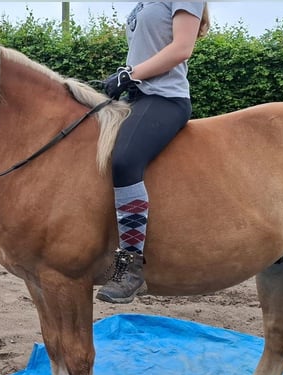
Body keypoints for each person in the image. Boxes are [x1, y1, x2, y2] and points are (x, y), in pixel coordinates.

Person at [96, 1, 210, 304]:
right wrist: (126, 78)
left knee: (124, 160)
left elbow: (181, 48)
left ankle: (131, 268)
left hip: (165, 98)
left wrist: (130, 74)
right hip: (138, 98)